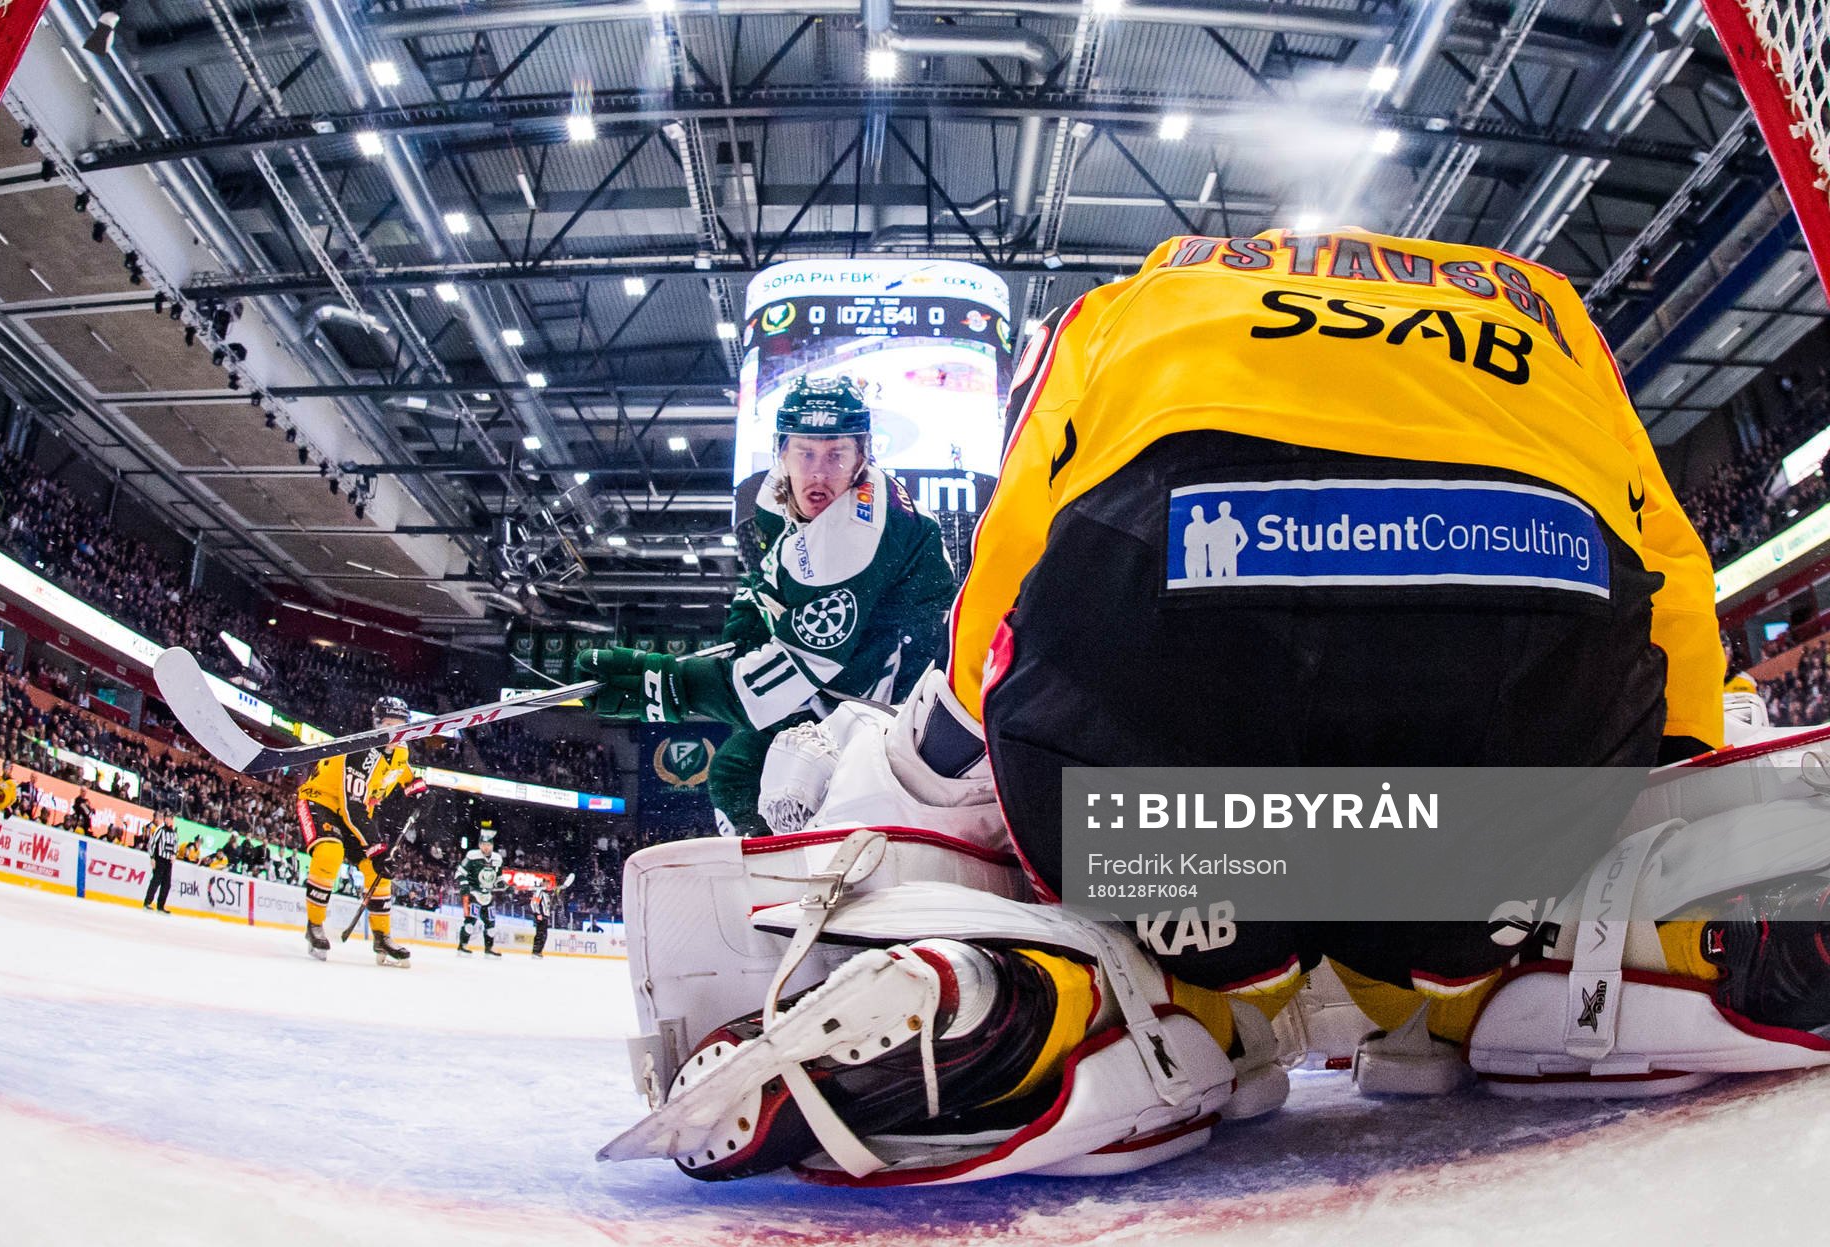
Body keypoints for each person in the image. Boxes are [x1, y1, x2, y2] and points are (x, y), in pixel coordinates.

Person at [610, 227, 1804, 1185]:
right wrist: (1666, 795)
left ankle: (1090, 994)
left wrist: (944, 762)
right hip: (1507, 705)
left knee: (1188, 920)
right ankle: (1617, 948)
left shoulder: (1130, 302)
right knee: (1453, 916)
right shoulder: (1545, 305)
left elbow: (1011, 557)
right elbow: (1673, 571)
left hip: (1181, 706)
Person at [576, 375, 958, 834]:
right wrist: (746, 631)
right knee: (738, 769)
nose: (819, 474)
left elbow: (778, 682)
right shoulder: (778, 492)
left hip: (894, 699)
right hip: (853, 657)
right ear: (782, 451)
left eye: (836, 454)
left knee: (777, 780)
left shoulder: (853, 535)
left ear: (863, 456)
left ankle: (804, 859)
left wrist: (664, 686)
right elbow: (767, 579)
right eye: (806, 453)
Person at [294, 695, 428, 966]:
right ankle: (315, 926)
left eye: (400, 725)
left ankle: (382, 936)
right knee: (330, 852)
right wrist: (377, 849)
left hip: (354, 811)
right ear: (376, 724)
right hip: (321, 802)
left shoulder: (400, 751)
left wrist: (419, 791)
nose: (394, 731)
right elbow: (351, 808)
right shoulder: (360, 751)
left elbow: (403, 773)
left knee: (378, 870)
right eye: (388, 724)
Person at [455, 834, 503, 956]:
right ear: (479, 845)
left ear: (492, 846)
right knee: (470, 923)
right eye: (483, 844)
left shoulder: (497, 859)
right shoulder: (472, 856)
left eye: (488, 845)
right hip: (474, 893)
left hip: (488, 895)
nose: (486, 847)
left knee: (491, 925)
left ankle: (489, 948)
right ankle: (462, 946)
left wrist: (503, 884)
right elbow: (459, 873)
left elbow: (498, 877)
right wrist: (464, 884)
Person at [530, 872, 576, 957]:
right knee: (540, 934)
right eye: (546, 882)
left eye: (548, 882)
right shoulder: (539, 891)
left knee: (543, 934)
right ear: (542, 882)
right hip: (541, 916)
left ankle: (538, 951)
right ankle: (536, 952)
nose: (548, 883)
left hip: (545, 916)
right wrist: (537, 914)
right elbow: (534, 903)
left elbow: (551, 904)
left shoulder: (547, 893)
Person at [142, 807, 177, 914]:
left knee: (167, 884)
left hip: (168, 862)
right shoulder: (160, 830)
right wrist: (152, 857)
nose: (168, 820)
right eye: (167, 818)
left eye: (170, 818)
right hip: (160, 859)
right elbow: (151, 844)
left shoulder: (174, 832)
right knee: (156, 881)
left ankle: (160, 906)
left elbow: (175, 846)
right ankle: (147, 902)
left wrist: (174, 855)